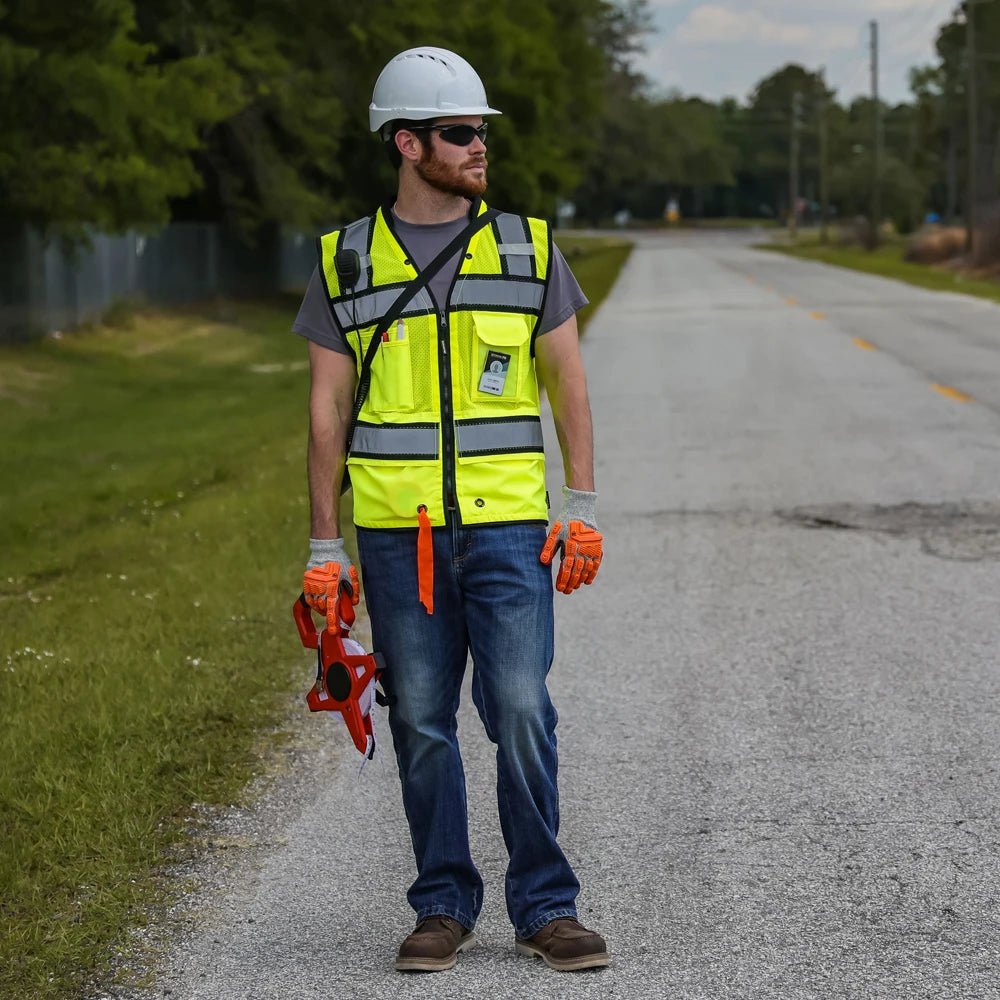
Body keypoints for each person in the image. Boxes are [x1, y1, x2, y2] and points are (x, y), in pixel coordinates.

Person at [293, 46, 607, 973]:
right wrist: (324, 548)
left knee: (518, 708)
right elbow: (325, 411)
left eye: (481, 132)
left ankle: (548, 906)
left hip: (510, 528)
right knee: (421, 719)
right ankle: (441, 903)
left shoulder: (529, 247)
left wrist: (580, 503)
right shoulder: (345, 260)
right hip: (398, 540)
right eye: (461, 133)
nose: (479, 148)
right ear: (407, 143)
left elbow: (570, 384)